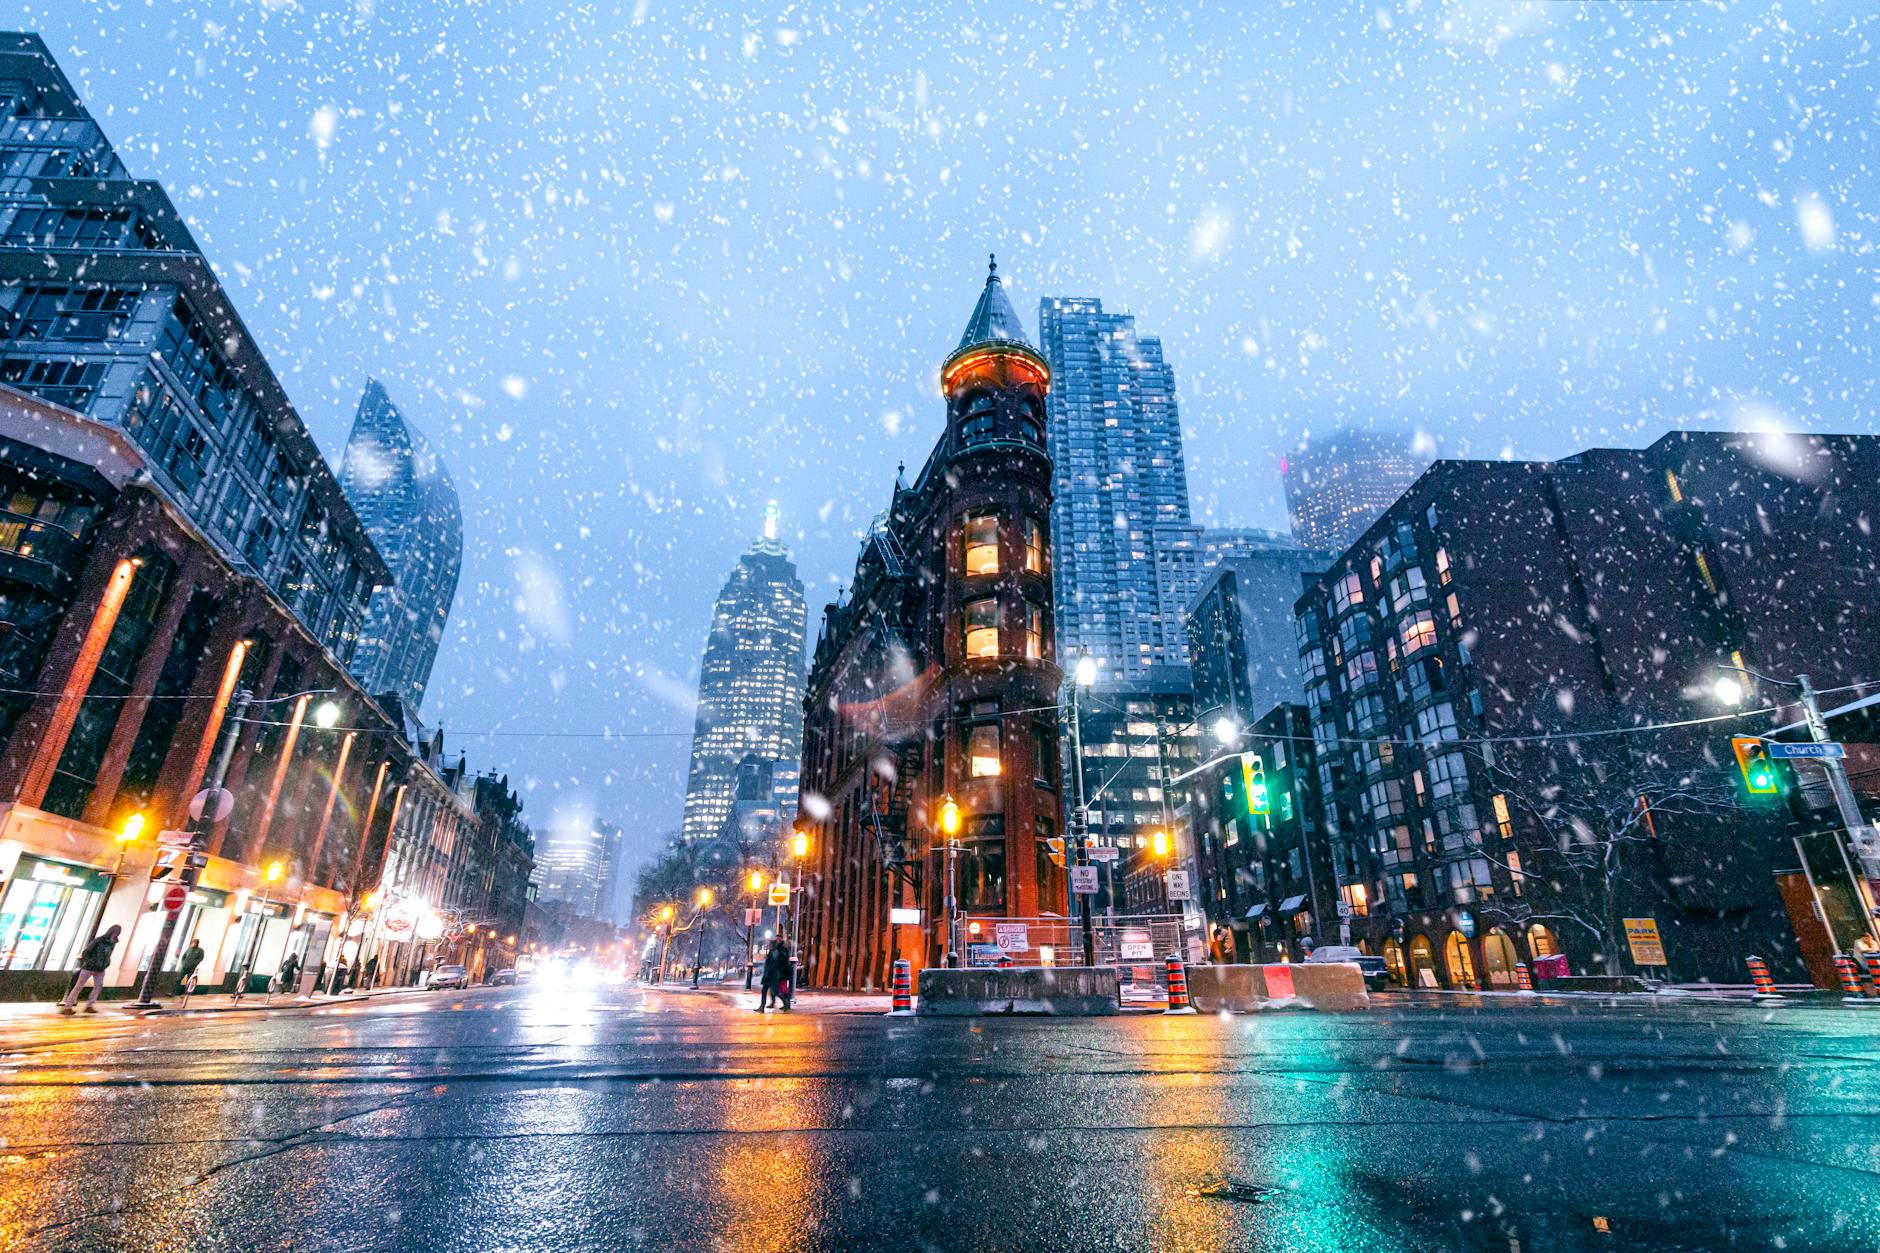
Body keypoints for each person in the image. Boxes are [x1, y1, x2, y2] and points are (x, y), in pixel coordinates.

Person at [60, 925, 121, 1014]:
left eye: (118, 932)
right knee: (79, 986)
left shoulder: (113, 943)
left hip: (100, 968)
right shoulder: (99, 941)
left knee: (98, 986)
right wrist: (91, 962)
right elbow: (86, 953)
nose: (117, 934)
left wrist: (106, 963)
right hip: (89, 967)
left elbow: (107, 955)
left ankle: (89, 1006)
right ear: (112, 931)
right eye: (117, 932)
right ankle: (68, 1007)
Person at [758, 938, 788, 1012]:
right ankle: (762, 1007)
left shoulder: (774, 952)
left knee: (775, 991)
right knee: (767, 991)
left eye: (770, 944)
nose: (769, 946)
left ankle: (786, 1003)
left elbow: (772, 965)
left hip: (771, 976)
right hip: (771, 976)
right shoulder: (773, 952)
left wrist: (768, 974)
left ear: (772, 945)